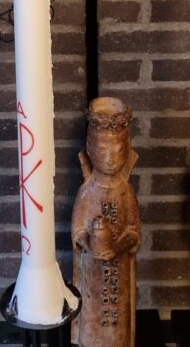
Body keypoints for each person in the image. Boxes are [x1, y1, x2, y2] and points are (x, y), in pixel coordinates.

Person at [72, 97, 140, 347]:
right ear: (90, 149)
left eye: (117, 151)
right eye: (102, 151)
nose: (110, 158)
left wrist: (117, 246)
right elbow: (77, 231)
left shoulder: (126, 191)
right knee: (93, 320)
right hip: (92, 275)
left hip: (118, 274)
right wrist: (89, 243)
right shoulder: (87, 192)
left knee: (116, 321)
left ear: (127, 148)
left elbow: (134, 232)